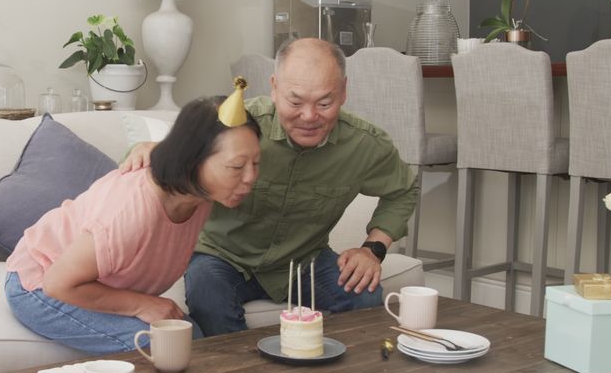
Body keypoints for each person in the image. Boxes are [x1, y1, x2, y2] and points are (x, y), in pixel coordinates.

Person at [122, 38, 419, 337]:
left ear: (343, 91)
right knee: (207, 293)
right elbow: (169, 159)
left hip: (304, 260)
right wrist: (147, 150)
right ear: (274, 88)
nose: (309, 116)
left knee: (365, 296)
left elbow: (403, 190)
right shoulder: (236, 127)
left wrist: (373, 250)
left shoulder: (365, 145)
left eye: (324, 103)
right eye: (295, 102)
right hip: (221, 256)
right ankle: (240, 368)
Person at [4, 92, 261, 354]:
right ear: (193, 161)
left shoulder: (200, 194)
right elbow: (58, 283)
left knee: (193, 338)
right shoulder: (130, 213)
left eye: (256, 163)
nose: (251, 177)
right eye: (237, 166)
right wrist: (142, 305)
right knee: (168, 347)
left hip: (90, 282)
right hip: (39, 283)